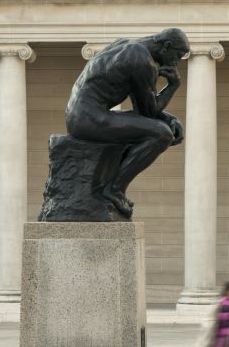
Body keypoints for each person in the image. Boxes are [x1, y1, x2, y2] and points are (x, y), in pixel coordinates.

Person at [65, 28, 189, 216]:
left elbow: (143, 109)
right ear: (167, 46)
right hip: (88, 119)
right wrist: (173, 86)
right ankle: (113, 189)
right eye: (177, 55)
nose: (176, 62)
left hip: (81, 114)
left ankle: (109, 185)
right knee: (161, 134)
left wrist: (170, 118)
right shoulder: (142, 60)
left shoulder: (128, 46)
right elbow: (149, 112)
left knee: (159, 128)